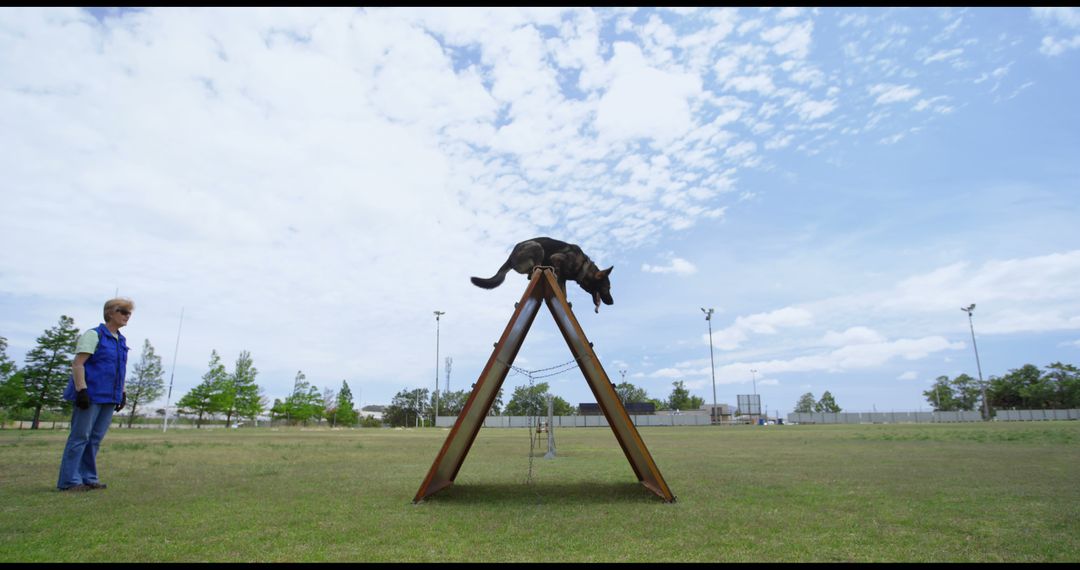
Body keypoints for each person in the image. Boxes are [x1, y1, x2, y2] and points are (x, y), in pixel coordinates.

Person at [56, 297, 133, 492]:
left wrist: (121, 393)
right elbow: (78, 364)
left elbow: (119, 369)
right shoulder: (94, 335)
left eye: (129, 313)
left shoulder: (120, 341)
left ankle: (88, 477)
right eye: (123, 311)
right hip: (91, 395)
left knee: (95, 439)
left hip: (109, 396)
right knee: (80, 437)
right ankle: (69, 481)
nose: (127, 316)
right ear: (110, 313)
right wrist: (81, 390)